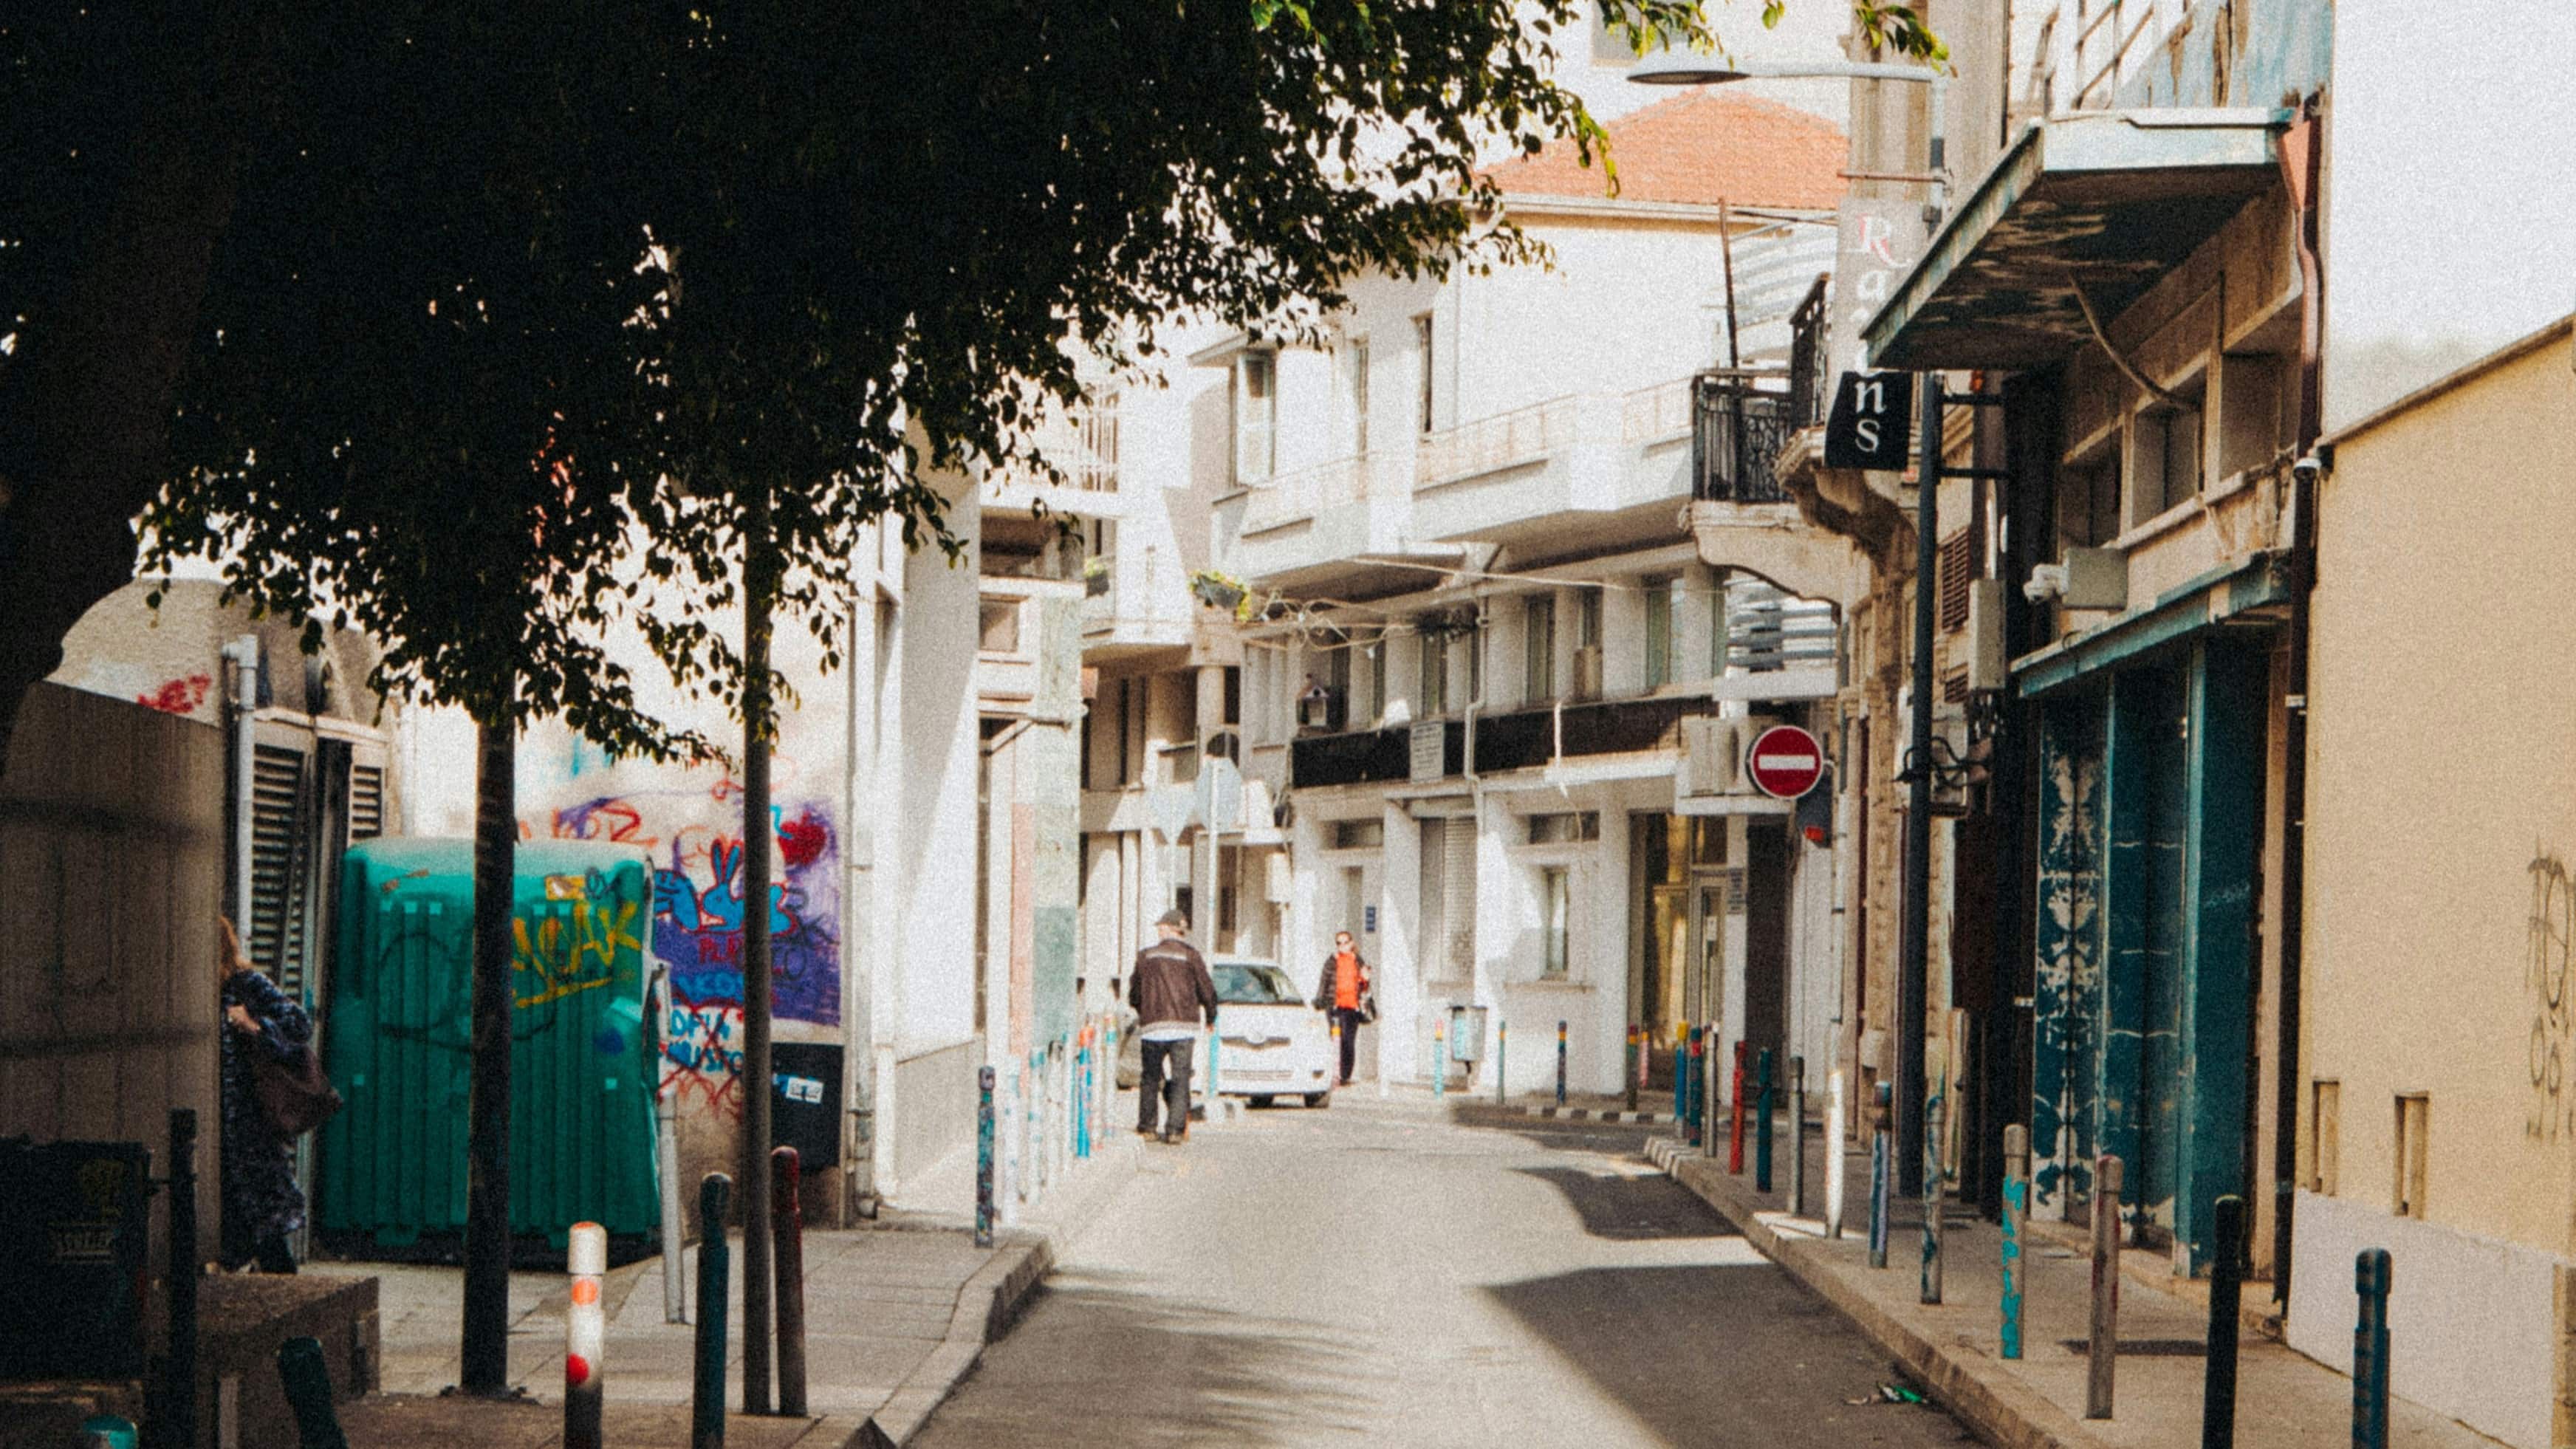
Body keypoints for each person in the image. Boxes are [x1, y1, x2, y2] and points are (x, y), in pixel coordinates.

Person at [219, 917, 312, 1273]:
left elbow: (299, 1024)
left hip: (250, 1127)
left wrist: (256, 1027)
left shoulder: (246, 985)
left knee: (264, 1225)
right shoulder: (194, 994)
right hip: (219, 1131)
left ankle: (285, 1297)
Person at [1129, 908, 1217, 1144]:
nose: (1159, 931)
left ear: (1166, 929)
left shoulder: (1145, 956)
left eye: (1161, 927)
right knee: (1180, 1078)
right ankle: (1175, 1130)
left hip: (1153, 1027)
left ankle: (1147, 1127)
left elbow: (1134, 994)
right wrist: (1211, 1017)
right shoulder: (1191, 956)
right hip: (1183, 1027)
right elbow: (1206, 990)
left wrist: (1144, 1011)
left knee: (1150, 1078)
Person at [1312, 930, 1371, 1086]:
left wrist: (1365, 979)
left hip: (1352, 1006)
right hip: (1335, 1005)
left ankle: (1345, 1074)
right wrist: (1320, 1000)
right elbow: (1324, 981)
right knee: (1336, 1038)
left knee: (1348, 1040)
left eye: (1345, 942)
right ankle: (1335, 1072)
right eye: (1339, 943)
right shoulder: (1332, 961)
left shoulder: (1357, 960)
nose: (1342, 946)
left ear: (1351, 943)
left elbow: (1364, 984)